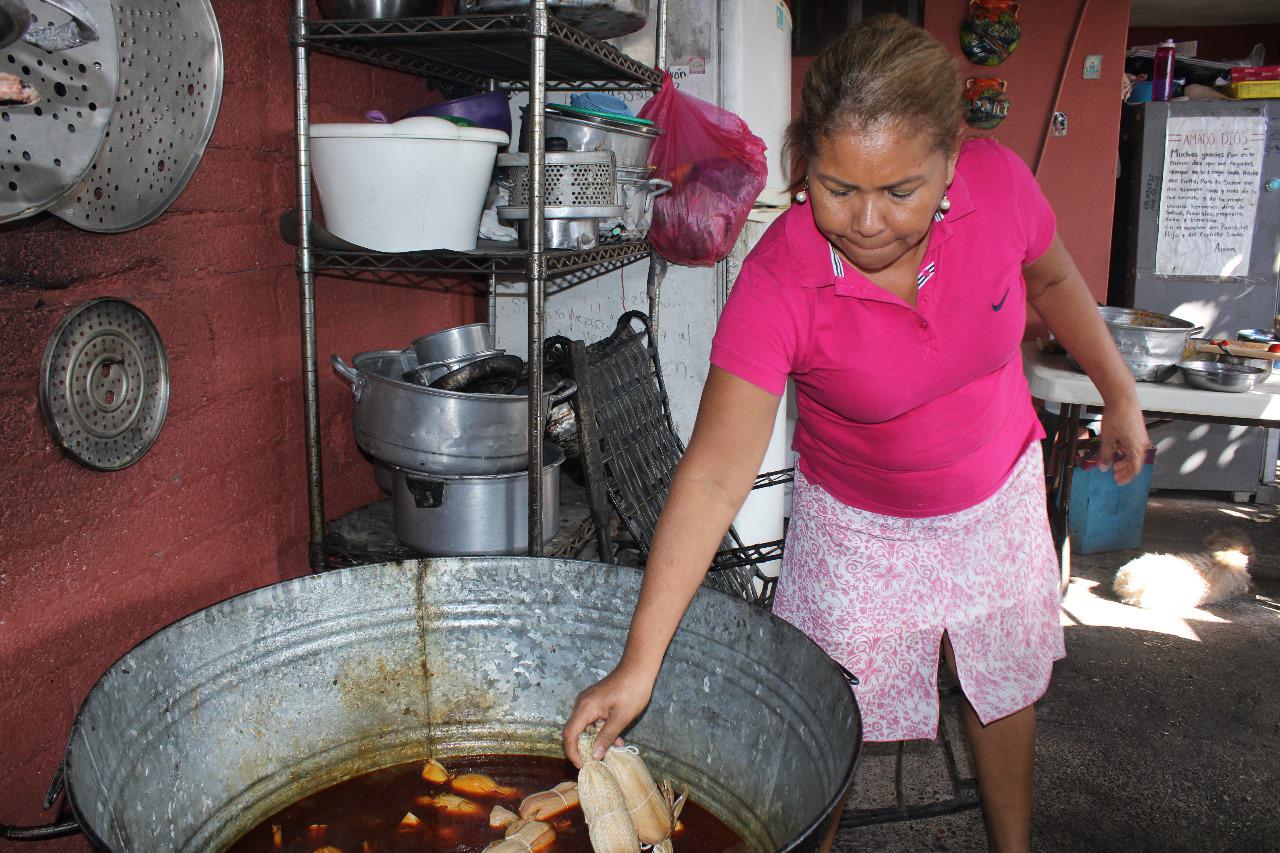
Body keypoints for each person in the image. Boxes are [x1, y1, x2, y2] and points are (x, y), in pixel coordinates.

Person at [563, 15, 1149, 853]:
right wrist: (640, 662)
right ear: (804, 163)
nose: (868, 221)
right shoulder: (782, 278)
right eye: (837, 187)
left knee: (1002, 681)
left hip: (996, 494)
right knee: (825, 717)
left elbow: (1053, 278)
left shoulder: (1003, 189)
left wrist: (1118, 393)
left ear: (952, 159)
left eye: (901, 190)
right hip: (859, 523)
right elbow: (713, 477)